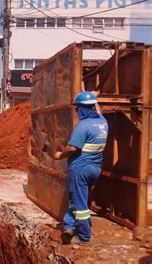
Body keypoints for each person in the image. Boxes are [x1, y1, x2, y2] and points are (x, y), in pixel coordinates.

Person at [54, 91, 108, 245]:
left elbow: (72, 148)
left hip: (80, 170)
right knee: (78, 198)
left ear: (82, 109)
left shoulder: (82, 127)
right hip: (95, 170)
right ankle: (69, 227)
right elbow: (97, 110)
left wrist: (59, 155)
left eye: (77, 108)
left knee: (80, 205)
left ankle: (84, 236)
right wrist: (93, 97)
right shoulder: (102, 122)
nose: (76, 111)